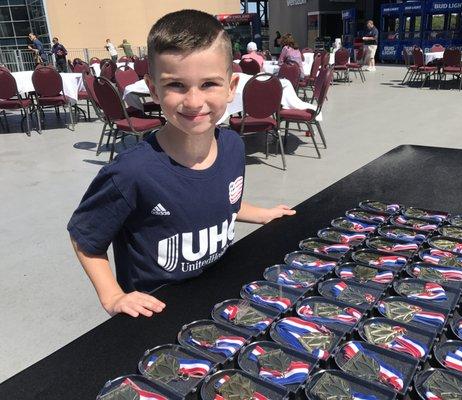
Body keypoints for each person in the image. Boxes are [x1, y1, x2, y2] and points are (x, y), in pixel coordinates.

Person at [67, 9, 296, 318]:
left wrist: (264, 214)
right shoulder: (131, 172)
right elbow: (85, 236)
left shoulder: (232, 147)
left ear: (231, 87)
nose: (193, 101)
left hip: (219, 299)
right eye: (176, 85)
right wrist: (113, 296)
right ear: (153, 88)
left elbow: (227, 203)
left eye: (209, 84)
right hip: (159, 313)